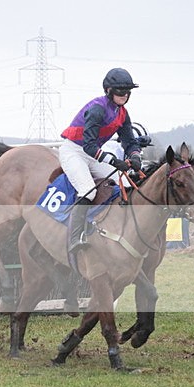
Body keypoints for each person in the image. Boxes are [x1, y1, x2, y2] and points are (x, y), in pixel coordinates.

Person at [59, 68, 143, 254]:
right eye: (120, 91)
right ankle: (75, 238)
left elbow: (129, 141)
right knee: (87, 191)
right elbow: (88, 145)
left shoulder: (122, 113)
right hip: (74, 151)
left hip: (92, 153)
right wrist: (114, 162)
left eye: (128, 91)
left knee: (124, 181)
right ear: (109, 90)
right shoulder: (97, 109)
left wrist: (135, 156)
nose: (124, 95)